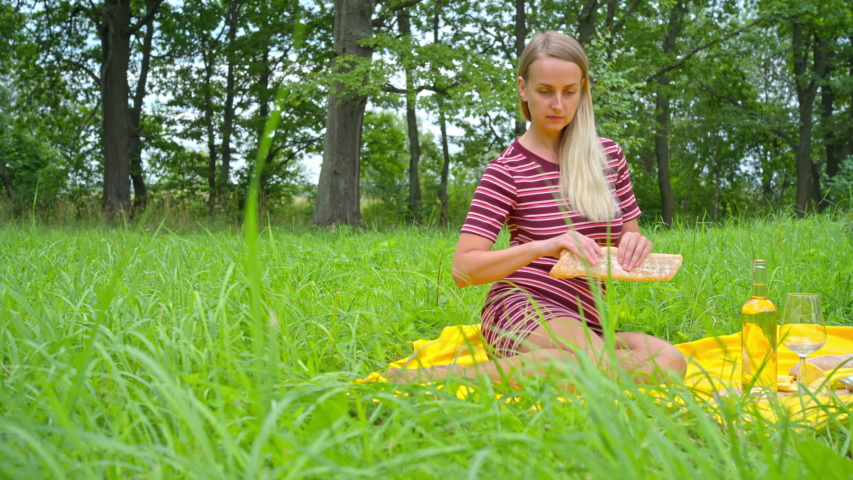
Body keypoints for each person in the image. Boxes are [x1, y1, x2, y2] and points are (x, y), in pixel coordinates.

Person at [386, 31, 686, 386]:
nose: (558, 104)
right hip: (519, 306)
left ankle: (551, 365)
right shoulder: (507, 170)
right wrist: (545, 246)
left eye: (569, 91)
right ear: (523, 89)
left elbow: (628, 235)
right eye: (545, 91)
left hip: (586, 317)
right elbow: (463, 270)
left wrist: (636, 243)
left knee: (671, 361)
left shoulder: (610, 157)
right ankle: (441, 380)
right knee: (597, 365)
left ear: (583, 89)